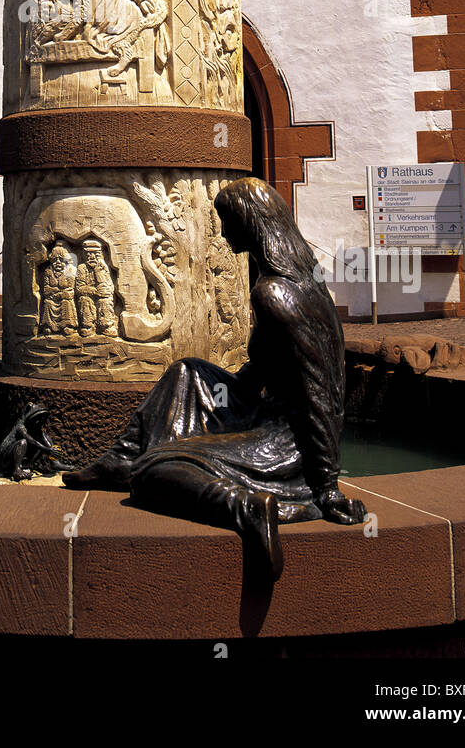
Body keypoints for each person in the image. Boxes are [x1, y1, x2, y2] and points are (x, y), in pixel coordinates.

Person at [63, 177, 366, 579]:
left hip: (287, 441)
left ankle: (247, 507)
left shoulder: (274, 294)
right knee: (187, 371)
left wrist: (326, 487)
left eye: (228, 222)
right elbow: (265, 369)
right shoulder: (302, 278)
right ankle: (120, 460)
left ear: (251, 223)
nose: (223, 233)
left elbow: (320, 395)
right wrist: (217, 388)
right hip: (268, 412)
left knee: (154, 472)